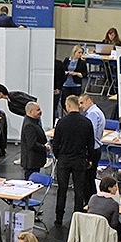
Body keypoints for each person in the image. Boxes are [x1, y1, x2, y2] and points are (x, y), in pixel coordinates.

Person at [52, 95, 94, 227]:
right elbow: (90, 144)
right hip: (79, 160)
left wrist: (58, 156)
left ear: (68, 105)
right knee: (79, 190)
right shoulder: (86, 122)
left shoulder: (61, 122)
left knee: (62, 190)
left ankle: (59, 217)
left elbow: (55, 143)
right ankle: (78, 216)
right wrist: (90, 159)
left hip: (64, 160)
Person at [78, 94, 106, 201]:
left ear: (89, 101)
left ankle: (89, 202)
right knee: (90, 178)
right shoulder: (96, 111)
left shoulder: (93, 114)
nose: (80, 106)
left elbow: (90, 133)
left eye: (82, 103)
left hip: (92, 150)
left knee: (87, 179)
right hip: (96, 148)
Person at [87, 175, 121, 241]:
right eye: (115, 186)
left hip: (90, 229)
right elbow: (114, 225)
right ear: (109, 188)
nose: (117, 188)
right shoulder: (114, 204)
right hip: (105, 232)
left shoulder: (92, 198)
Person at [20, 101, 50, 179]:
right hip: (31, 161)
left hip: (33, 160)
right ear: (30, 111)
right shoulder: (29, 125)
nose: (40, 112)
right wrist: (45, 148)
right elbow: (32, 144)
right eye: (38, 110)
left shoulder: (32, 121)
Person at [60, 46, 87, 111]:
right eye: (79, 52)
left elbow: (84, 74)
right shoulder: (67, 60)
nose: (80, 54)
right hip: (66, 84)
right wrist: (66, 72)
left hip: (76, 85)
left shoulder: (82, 62)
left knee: (75, 102)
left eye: (81, 53)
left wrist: (76, 74)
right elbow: (61, 70)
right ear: (74, 52)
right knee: (64, 101)